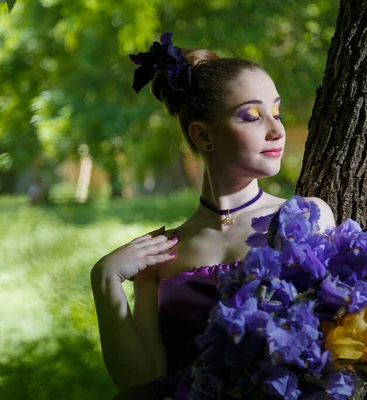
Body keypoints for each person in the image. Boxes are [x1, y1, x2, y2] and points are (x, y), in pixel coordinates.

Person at [90, 33, 336, 399]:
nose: (277, 129)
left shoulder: (304, 218)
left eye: (277, 112)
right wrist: (105, 278)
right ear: (203, 135)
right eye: (252, 116)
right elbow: (140, 381)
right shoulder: (163, 253)